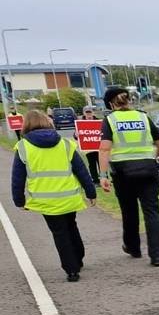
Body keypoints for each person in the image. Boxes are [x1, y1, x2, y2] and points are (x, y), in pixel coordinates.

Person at [10, 109, 97, 282]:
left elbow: (17, 177)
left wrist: (19, 200)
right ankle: (78, 258)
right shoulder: (65, 144)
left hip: (46, 200)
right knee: (71, 226)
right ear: (47, 122)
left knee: (59, 233)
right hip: (69, 196)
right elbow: (81, 170)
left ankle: (71, 269)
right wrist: (90, 192)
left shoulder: (23, 147)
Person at [98, 86, 159, 266]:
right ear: (128, 100)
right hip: (148, 168)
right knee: (152, 212)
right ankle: (157, 255)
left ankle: (133, 247)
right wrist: (156, 157)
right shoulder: (143, 117)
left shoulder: (110, 120)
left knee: (129, 212)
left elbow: (104, 148)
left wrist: (103, 175)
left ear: (111, 104)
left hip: (123, 172)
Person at [79, 106, 101, 185]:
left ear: (93, 113)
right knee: (92, 165)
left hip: (99, 148)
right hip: (89, 148)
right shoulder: (80, 123)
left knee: (101, 163)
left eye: (90, 112)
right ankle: (95, 180)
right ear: (84, 113)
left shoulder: (99, 121)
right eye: (87, 113)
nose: (89, 115)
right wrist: (76, 134)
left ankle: (104, 179)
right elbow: (76, 135)